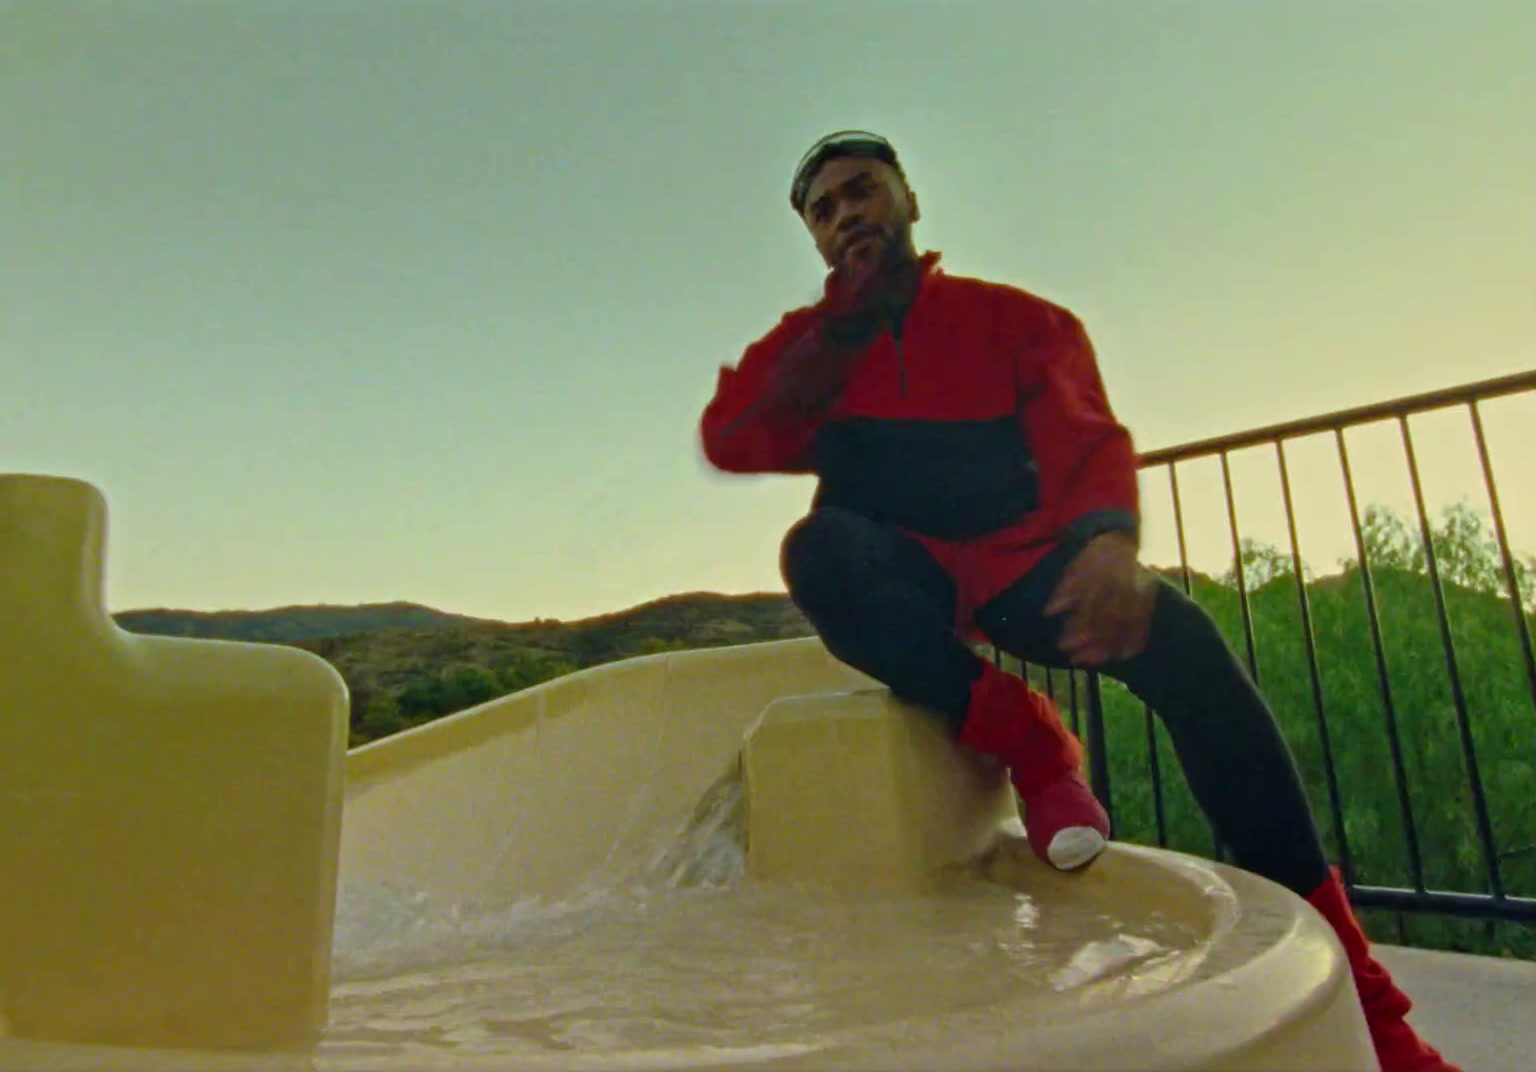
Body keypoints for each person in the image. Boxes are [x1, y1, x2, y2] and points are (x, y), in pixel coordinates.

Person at [698, 129, 1457, 1072]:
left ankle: (1367, 1007)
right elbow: (731, 434)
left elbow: (1085, 437)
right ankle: (1032, 739)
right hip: (909, 577)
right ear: (817, 240)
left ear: (909, 200)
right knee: (817, 553)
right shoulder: (818, 348)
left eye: (863, 190)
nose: (848, 212)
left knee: (1183, 639)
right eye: (825, 209)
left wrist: (1106, 539)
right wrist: (832, 332)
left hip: (1024, 572)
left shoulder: (1019, 321)